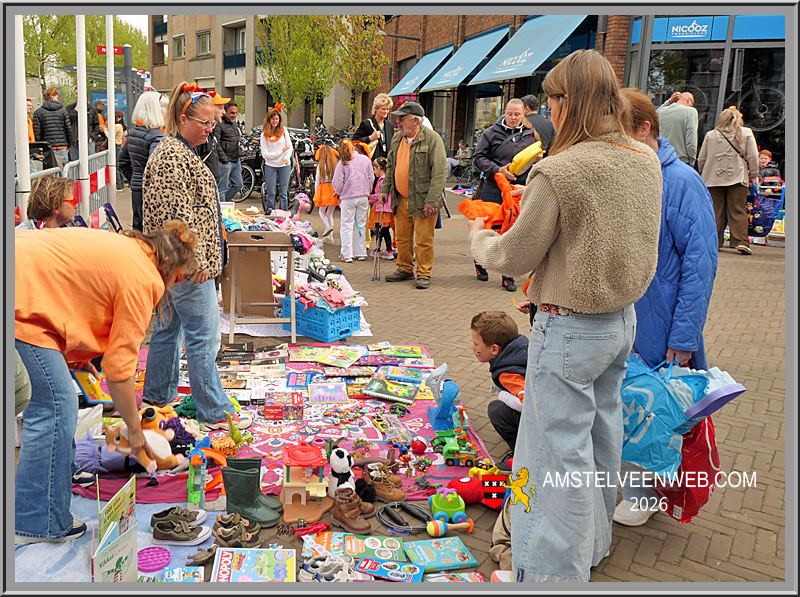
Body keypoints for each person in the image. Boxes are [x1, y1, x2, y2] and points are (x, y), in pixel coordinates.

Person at [468, 49, 662, 582]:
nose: (544, 114)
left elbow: (515, 255)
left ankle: (553, 570)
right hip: (620, 323)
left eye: (551, 101)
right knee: (601, 439)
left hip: (571, 328)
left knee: (556, 457)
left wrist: (482, 240)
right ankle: (593, 544)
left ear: (568, 100)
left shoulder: (559, 169)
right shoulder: (645, 160)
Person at [14, 220, 197, 544]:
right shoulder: (143, 277)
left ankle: (43, 504)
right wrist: (136, 431)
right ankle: (36, 522)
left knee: (54, 404)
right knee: (56, 407)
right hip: (19, 294)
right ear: (169, 267)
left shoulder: (130, 251)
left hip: (20, 281)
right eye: (179, 278)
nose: (173, 287)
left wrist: (81, 358)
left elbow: (79, 294)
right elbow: (120, 370)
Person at [613, 88, 719, 527]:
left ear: (644, 129)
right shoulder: (629, 175)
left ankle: (645, 493)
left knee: (652, 410)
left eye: (620, 132)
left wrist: (683, 338)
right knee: (631, 404)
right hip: (630, 318)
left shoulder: (681, 182)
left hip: (662, 325)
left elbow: (700, 266)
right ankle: (636, 487)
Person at [141, 81, 250, 432]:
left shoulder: (177, 151)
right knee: (203, 336)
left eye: (212, 123)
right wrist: (195, 262)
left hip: (177, 263)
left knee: (168, 328)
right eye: (204, 123)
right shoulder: (173, 154)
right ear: (183, 117)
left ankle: (157, 397)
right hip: (186, 265)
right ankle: (214, 411)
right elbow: (177, 218)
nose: (209, 129)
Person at [472, 98, 538, 292]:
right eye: (509, 114)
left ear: (523, 115)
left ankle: (507, 274)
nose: (513, 118)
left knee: (512, 230)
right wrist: (497, 169)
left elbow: (536, 157)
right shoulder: (490, 133)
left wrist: (536, 159)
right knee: (490, 226)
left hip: (517, 188)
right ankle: (479, 262)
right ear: (505, 112)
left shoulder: (530, 135)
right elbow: (478, 158)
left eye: (517, 114)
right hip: (493, 188)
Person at [380, 101, 447, 290]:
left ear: (416, 121)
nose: (398, 122)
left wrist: (432, 200)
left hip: (423, 199)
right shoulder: (397, 139)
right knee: (401, 237)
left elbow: (440, 172)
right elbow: (391, 168)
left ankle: (424, 273)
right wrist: (385, 189)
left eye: (402, 118)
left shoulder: (432, 139)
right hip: (401, 198)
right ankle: (404, 268)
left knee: (424, 240)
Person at [697, 106, 759, 255]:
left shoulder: (711, 135)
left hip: (712, 178)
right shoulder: (746, 133)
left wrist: (704, 173)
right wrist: (753, 174)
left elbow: (702, 158)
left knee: (715, 211)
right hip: (737, 177)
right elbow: (753, 156)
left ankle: (714, 242)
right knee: (737, 210)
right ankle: (740, 242)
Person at [471, 311, 528, 466]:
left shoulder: (509, 373)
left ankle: (522, 456)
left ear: (495, 349)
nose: (473, 348)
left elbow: (528, 404)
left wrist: (503, 395)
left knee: (497, 409)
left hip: (545, 420)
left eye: (476, 344)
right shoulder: (519, 348)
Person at [118, 91, 166, 231]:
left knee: (139, 230)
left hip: (137, 189)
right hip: (152, 194)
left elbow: (122, 161)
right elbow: (156, 169)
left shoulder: (134, 131)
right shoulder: (157, 136)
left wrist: (135, 179)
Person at [332, 139, 374, 263]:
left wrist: (340, 193)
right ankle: (360, 252)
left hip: (348, 197)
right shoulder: (365, 160)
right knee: (360, 225)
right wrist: (367, 190)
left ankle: (347, 254)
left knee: (346, 226)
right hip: (363, 196)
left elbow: (337, 182)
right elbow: (371, 178)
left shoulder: (342, 163)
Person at [260, 105, 293, 213]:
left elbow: (289, 147)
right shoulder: (264, 134)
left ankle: (284, 214)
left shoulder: (284, 131)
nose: (275, 121)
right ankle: (270, 213)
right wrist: (281, 151)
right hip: (270, 165)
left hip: (284, 165)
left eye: (277, 119)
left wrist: (286, 157)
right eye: (273, 119)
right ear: (269, 120)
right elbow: (266, 155)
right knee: (271, 192)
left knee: (283, 192)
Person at [656, 91, 698, 167]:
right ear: (689, 100)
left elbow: (656, 112)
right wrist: (692, 160)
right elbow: (691, 140)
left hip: (661, 158)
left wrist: (670, 101)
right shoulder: (691, 111)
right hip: (680, 160)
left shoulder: (662, 111)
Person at [196, 91, 230, 182]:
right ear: (210, 108)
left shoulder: (210, 132)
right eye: (220, 108)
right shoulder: (200, 135)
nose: (223, 112)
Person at [32, 87, 71, 168]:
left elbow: (37, 132)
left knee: (50, 171)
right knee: (64, 170)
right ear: (52, 96)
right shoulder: (63, 111)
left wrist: (40, 148)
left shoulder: (38, 113)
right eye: (57, 96)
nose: (58, 98)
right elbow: (68, 129)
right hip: (62, 146)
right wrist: (69, 144)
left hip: (48, 147)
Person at [352, 93, 395, 161]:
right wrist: (370, 138)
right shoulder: (367, 124)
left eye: (387, 109)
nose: (386, 111)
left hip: (385, 163)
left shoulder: (390, 125)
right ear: (376, 109)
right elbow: (355, 140)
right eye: (383, 109)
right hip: (371, 162)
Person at [215, 101, 243, 201]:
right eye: (232, 113)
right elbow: (216, 142)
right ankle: (222, 212)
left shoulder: (234, 124)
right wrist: (224, 158)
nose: (234, 115)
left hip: (235, 160)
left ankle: (223, 204)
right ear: (225, 112)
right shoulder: (219, 124)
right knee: (222, 189)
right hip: (225, 162)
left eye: (235, 113)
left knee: (238, 184)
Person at [368, 156, 394, 260]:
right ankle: (386, 249)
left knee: (381, 230)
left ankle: (384, 249)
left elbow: (379, 194)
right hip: (387, 208)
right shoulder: (387, 179)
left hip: (382, 208)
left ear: (379, 168)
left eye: (374, 169)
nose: (374, 172)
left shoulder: (382, 180)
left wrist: (369, 198)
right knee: (384, 230)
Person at [314, 144, 340, 241]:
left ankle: (328, 226)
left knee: (321, 212)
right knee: (330, 213)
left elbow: (317, 181)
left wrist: (316, 193)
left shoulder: (320, 166)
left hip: (323, 189)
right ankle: (331, 236)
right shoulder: (335, 165)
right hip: (333, 189)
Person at [27, 97, 45, 173]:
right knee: (32, 171)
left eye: (31, 105)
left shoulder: (29, 119)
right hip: (26, 148)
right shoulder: (21, 119)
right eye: (28, 105)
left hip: (30, 148)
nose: (30, 107)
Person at [114, 110, 127, 190]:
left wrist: (105, 130)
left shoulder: (117, 126)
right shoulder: (123, 127)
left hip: (116, 145)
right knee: (119, 166)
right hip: (120, 146)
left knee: (116, 166)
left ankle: (118, 184)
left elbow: (110, 135)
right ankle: (121, 183)